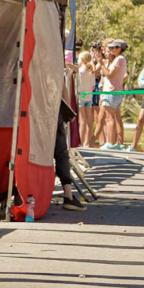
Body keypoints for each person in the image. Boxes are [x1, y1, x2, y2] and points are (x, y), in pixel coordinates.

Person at [55, 65, 86, 210]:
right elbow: (62, 87)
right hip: (52, 111)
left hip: (31, 112)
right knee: (61, 153)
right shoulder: (53, 59)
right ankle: (68, 194)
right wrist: (68, 113)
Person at [98, 40, 128, 149]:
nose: (110, 50)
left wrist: (101, 64)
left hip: (111, 91)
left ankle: (110, 143)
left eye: (113, 48)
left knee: (109, 118)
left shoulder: (119, 59)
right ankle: (116, 144)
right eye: (110, 48)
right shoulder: (118, 59)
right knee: (114, 117)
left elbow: (109, 75)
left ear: (119, 49)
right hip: (114, 91)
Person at [77, 49, 100, 148]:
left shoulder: (80, 72)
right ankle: (87, 142)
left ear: (82, 60)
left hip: (81, 96)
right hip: (89, 97)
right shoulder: (91, 71)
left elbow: (77, 85)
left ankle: (81, 142)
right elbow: (93, 86)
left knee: (82, 121)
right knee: (89, 121)